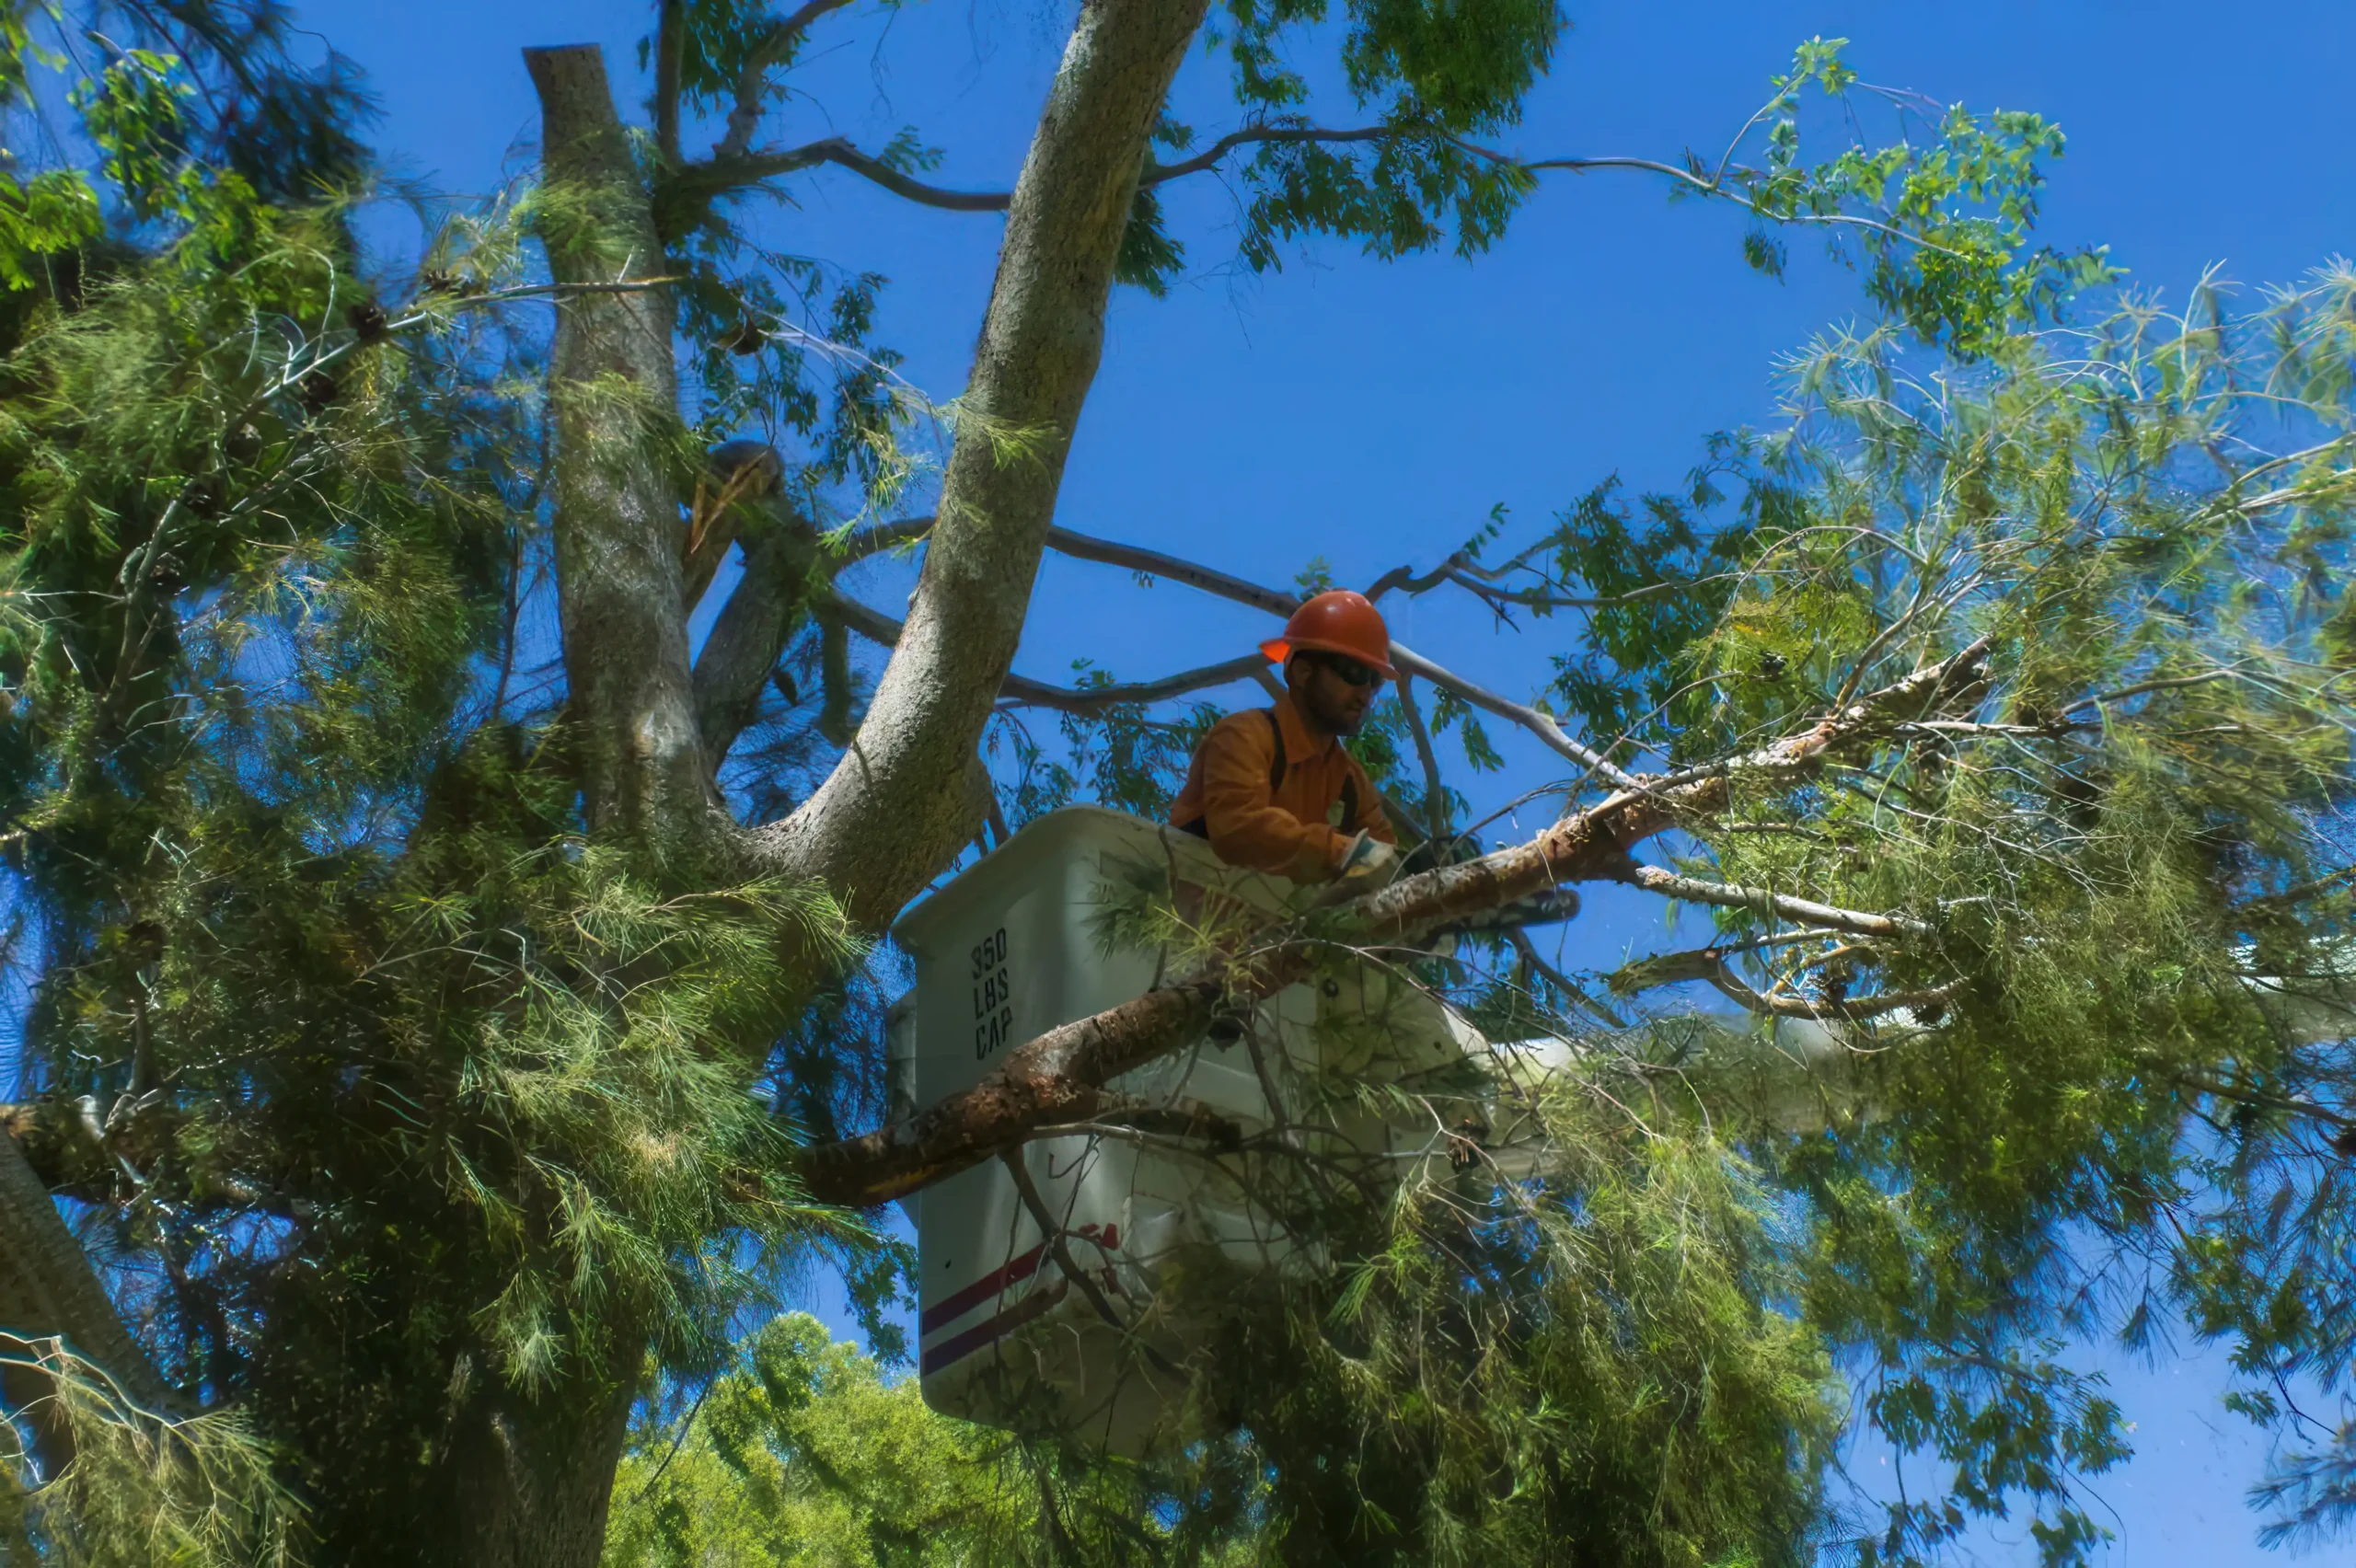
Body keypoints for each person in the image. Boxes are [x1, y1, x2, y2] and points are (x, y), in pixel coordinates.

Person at [1168, 590, 1400, 883]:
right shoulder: (1244, 737)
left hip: (1268, 921)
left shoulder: (1349, 781)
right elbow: (1237, 829)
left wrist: (1417, 867)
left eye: (1374, 680)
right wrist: (1341, 850)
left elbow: (1386, 861)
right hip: (1188, 906)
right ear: (1302, 672)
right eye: (1354, 673)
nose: (1365, 693)